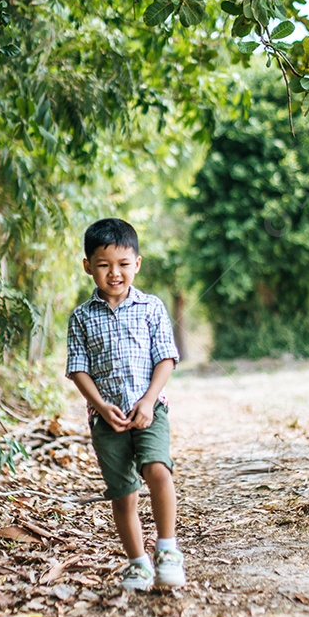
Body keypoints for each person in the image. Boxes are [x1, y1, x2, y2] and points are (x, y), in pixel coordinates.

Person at [65, 217, 186, 592]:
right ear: (88, 267)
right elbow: (77, 368)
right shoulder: (81, 318)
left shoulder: (151, 308)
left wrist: (149, 402)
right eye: (103, 265)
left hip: (150, 410)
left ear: (137, 264)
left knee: (157, 471)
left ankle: (167, 551)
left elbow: (166, 357)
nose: (113, 273)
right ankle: (138, 563)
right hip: (107, 419)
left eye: (122, 264)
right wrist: (100, 407)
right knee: (123, 491)